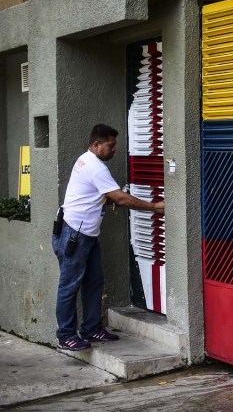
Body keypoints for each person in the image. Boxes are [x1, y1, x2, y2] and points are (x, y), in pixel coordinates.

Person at [52, 124, 165, 351]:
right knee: (69, 286)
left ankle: (91, 328)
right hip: (75, 235)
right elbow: (120, 199)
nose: (114, 149)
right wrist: (154, 206)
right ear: (96, 145)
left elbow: (101, 195)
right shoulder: (95, 167)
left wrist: (109, 199)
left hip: (85, 234)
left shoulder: (87, 160)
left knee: (94, 282)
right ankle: (65, 336)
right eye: (110, 145)